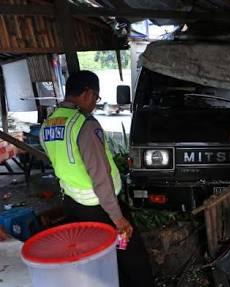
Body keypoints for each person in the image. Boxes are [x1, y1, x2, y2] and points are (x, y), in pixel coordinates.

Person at [40, 71, 154, 287]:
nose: (94, 103)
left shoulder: (49, 124)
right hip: (101, 206)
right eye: (96, 97)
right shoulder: (83, 124)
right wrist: (117, 217)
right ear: (87, 93)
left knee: (96, 252)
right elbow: (100, 174)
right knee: (129, 252)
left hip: (73, 204)